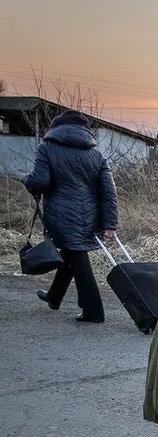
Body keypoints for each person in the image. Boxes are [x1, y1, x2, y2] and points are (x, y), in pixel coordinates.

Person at [24, 110, 117, 323]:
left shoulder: (47, 148)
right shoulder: (97, 155)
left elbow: (40, 182)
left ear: (57, 128)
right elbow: (108, 192)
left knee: (78, 260)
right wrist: (109, 223)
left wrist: (26, 179)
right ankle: (54, 297)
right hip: (90, 216)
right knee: (70, 254)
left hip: (61, 214)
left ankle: (94, 311)